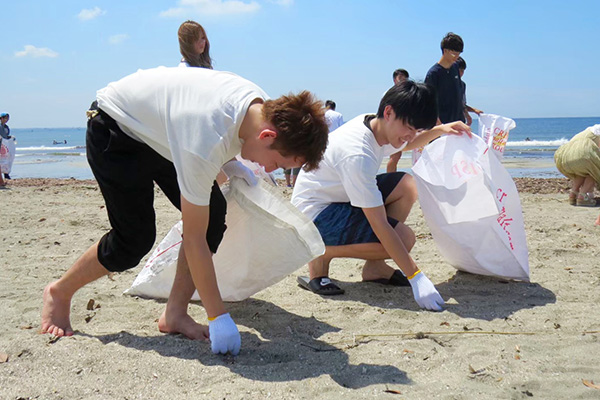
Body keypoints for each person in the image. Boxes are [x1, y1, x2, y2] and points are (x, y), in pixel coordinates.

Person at [40, 66, 329, 356]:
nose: (269, 170)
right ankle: (60, 290)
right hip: (115, 127)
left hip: (161, 134)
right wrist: (218, 316)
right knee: (134, 240)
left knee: (214, 215)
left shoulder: (267, 110)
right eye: (277, 163)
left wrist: (229, 162)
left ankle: (174, 314)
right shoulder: (205, 138)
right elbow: (194, 239)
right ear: (267, 136)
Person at [291, 81, 471, 311]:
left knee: (405, 185)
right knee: (404, 239)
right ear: (389, 112)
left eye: (416, 130)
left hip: (337, 199)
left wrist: (440, 130)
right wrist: (415, 276)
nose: (410, 135)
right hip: (314, 216)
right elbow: (379, 225)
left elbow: (405, 143)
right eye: (409, 127)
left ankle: (375, 268)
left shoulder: (375, 124)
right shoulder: (357, 153)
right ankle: (318, 253)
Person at [554, 124, 600, 207]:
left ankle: (573, 194)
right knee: (596, 169)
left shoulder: (589, 130)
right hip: (582, 151)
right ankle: (582, 196)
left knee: (582, 171)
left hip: (565, 154)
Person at [425, 32, 465, 125]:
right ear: (445, 50)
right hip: (442, 124)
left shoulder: (455, 68)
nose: (457, 57)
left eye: (458, 53)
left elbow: (458, 95)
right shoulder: (433, 73)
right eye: (454, 53)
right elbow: (428, 101)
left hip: (458, 122)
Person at [387, 69, 410, 172]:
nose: (403, 81)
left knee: (398, 155)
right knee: (395, 155)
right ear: (394, 80)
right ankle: (389, 181)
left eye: (405, 79)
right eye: (400, 78)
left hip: (405, 127)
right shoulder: (390, 94)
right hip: (394, 128)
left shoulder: (408, 94)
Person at [455, 57, 483, 126]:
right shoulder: (445, 84)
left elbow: (462, 104)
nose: (461, 73)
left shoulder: (462, 85)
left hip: (459, 121)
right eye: (459, 70)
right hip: (446, 121)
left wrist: (473, 110)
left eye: (463, 70)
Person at [1, 112, 12, 180]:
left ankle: (6, 174)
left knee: (5, 159)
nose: (6, 120)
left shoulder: (6, 127)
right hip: (0, 144)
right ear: (1, 118)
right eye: (5, 118)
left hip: (4, 145)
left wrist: (9, 137)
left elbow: (5, 135)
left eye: (7, 118)